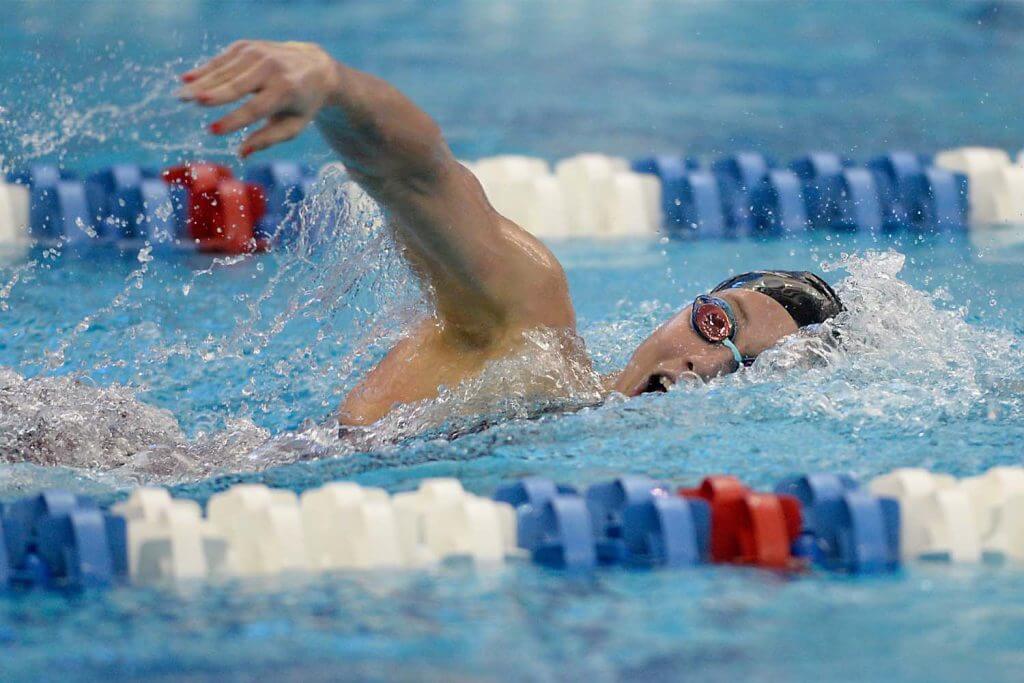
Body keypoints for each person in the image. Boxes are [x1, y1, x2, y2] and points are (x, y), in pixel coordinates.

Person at [179, 40, 844, 427]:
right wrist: (332, 85)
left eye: (749, 366)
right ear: (685, 309)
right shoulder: (531, 337)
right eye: (717, 324)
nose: (706, 361)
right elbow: (423, 179)